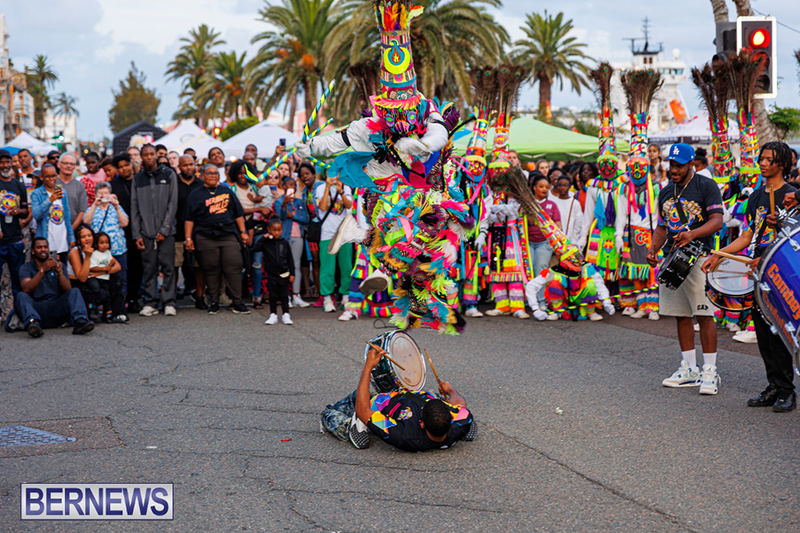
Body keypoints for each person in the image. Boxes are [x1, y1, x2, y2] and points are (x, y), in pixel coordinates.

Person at [702, 142, 796, 411]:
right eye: (762, 158)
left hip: (780, 271)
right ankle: (773, 385)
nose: (762, 163)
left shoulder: (792, 195)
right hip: (756, 271)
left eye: (769, 159)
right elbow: (746, 235)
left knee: (778, 333)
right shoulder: (755, 197)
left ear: (782, 164)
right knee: (763, 332)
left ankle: (787, 390)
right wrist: (719, 254)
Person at [647, 143, 723, 395]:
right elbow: (661, 226)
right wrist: (653, 249)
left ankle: (710, 371)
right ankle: (690, 368)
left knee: (703, 312)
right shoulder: (666, 191)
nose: (674, 170)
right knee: (681, 314)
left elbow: (717, 221)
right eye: (672, 165)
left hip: (699, 257)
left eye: (679, 165)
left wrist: (692, 235)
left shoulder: (706, 186)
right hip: (673, 259)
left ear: (692, 164)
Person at [321, 343, 475, 451]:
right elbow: (460, 404)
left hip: (383, 405)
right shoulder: (460, 420)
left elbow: (363, 409)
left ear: (421, 423)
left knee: (330, 414)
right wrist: (450, 390)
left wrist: (368, 367)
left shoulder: (405, 437)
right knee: (437, 397)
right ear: (450, 417)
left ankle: (354, 426)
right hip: (411, 397)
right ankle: (461, 428)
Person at [184, 163, 250, 315]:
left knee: (233, 266)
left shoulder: (227, 192)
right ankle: (214, 302)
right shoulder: (196, 194)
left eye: (216, 173)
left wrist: (243, 232)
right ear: (202, 175)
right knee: (211, 269)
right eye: (209, 173)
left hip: (228, 235)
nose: (213, 175)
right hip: (205, 237)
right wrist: (188, 238)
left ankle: (237, 302)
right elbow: (189, 219)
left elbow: (238, 214)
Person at [4, 236, 93, 336]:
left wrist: (59, 273)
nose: (43, 250)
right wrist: (42, 271)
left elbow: (68, 289)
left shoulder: (58, 265)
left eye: (45, 247)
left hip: (55, 307)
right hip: (36, 309)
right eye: (39, 247)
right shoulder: (26, 268)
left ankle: (81, 321)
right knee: (21, 296)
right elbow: (26, 289)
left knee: (75, 291)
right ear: (33, 251)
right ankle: (33, 324)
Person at [131, 144, 179, 317]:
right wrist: (137, 234)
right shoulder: (137, 179)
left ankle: (169, 302)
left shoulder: (169, 174)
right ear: (141, 157)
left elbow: (173, 204)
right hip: (146, 232)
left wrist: (165, 229)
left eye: (152, 154)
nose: (149, 157)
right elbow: (134, 207)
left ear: (156, 156)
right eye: (146, 154)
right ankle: (151, 302)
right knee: (149, 269)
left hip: (166, 232)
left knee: (168, 268)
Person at [83, 181, 128, 301]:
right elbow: (86, 221)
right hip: (99, 252)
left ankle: (120, 302)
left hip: (118, 249)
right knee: (102, 278)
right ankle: (105, 303)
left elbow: (125, 223)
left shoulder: (116, 208)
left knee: (120, 277)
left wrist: (117, 206)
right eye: (100, 193)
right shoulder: (92, 209)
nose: (103, 196)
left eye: (106, 193)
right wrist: (94, 204)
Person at [315, 172, 353, 313]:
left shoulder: (346, 187)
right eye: (330, 173)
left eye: (336, 172)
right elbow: (323, 207)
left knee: (346, 267)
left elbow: (349, 206)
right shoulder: (319, 188)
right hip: (327, 234)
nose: (333, 176)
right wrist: (327, 187)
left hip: (344, 234)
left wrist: (341, 190)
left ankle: (345, 297)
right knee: (327, 267)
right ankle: (327, 299)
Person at [110, 153, 142, 312]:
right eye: (120, 167)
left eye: (126, 165)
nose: (124, 169)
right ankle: (121, 298)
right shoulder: (113, 185)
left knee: (137, 266)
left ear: (131, 164)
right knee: (122, 266)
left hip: (139, 230)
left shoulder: (140, 180)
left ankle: (135, 297)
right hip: (120, 232)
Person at [273, 175, 310, 308]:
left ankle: (296, 295)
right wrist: (284, 205)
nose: (291, 187)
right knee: (284, 266)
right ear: (283, 187)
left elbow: (306, 219)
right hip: (285, 236)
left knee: (296, 265)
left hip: (298, 236)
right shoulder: (279, 201)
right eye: (288, 185)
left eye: (293, 185)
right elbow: (279, 217)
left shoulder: (300, 202)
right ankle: (285, 296)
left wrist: (292, 216)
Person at [175, 155, 206, 310]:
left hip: (198, 231)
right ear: (179, 166)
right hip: (177, 231)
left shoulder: (201, 184)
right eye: (185, 165)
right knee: (174, 265)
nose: (188, 167)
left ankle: (200, 296)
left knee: (198, 266)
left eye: (191, 164)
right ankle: (171, 297)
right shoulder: (174, 183)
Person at [526, 175, 561, 311]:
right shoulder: (527, 204)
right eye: (541, 186)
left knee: (541, 271)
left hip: (544, 243)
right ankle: (528, 300)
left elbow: (558, 226)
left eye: (547, 187)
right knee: (528, 271)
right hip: (527, 242)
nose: (544, 189)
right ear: (534, 188)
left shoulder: (552, 205)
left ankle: (541, 302)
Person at [0, 149, 29, 299]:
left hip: (15, 240)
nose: (5, 165)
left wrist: (18, 211)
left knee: (18, 280)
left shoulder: (19, 186)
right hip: (0, 240)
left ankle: (19, 314)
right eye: (2, 162)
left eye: (7, 162)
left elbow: (26, 211)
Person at [253, 218, 294, 325]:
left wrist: (292, 273)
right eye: (274, 230)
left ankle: (286, 314)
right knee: (273, 296)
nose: (276, 232)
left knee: (284, 295)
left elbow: (290, 259)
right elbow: (256, 248)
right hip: (271, 274)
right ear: (269, 230)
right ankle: (273, 314)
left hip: (284, 273)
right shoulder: (266, 243)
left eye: (279, 230)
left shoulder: (284, 243)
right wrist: (263, 237)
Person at [31, 164, 74, 264]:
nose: (51, 179)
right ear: (41, 177)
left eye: (53, 176)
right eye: (47, 176)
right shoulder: (36, 193)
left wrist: (71, 237)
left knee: (62, 272)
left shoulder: (63, 192)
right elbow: (36, 215)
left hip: (63, 242)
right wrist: (50, 200)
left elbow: (67, 217)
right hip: (47, 242)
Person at [56, 153, 88, 233]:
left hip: (74, 230)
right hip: (54, 229)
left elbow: (82, 211)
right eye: (65, 163)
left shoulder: (79, 186)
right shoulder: (52, 183)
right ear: (59, 165)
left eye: (72, 164)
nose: (69, 166)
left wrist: (70, 230)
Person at [551, 175, 582, 245]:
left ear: (569, 186)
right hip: (556, 241)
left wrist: (574, 240)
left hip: (571, 241)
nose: (562, 188)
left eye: (565, 185)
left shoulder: (575, 203)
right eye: (560, 185)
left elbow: (578, 224)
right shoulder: (553, 202)